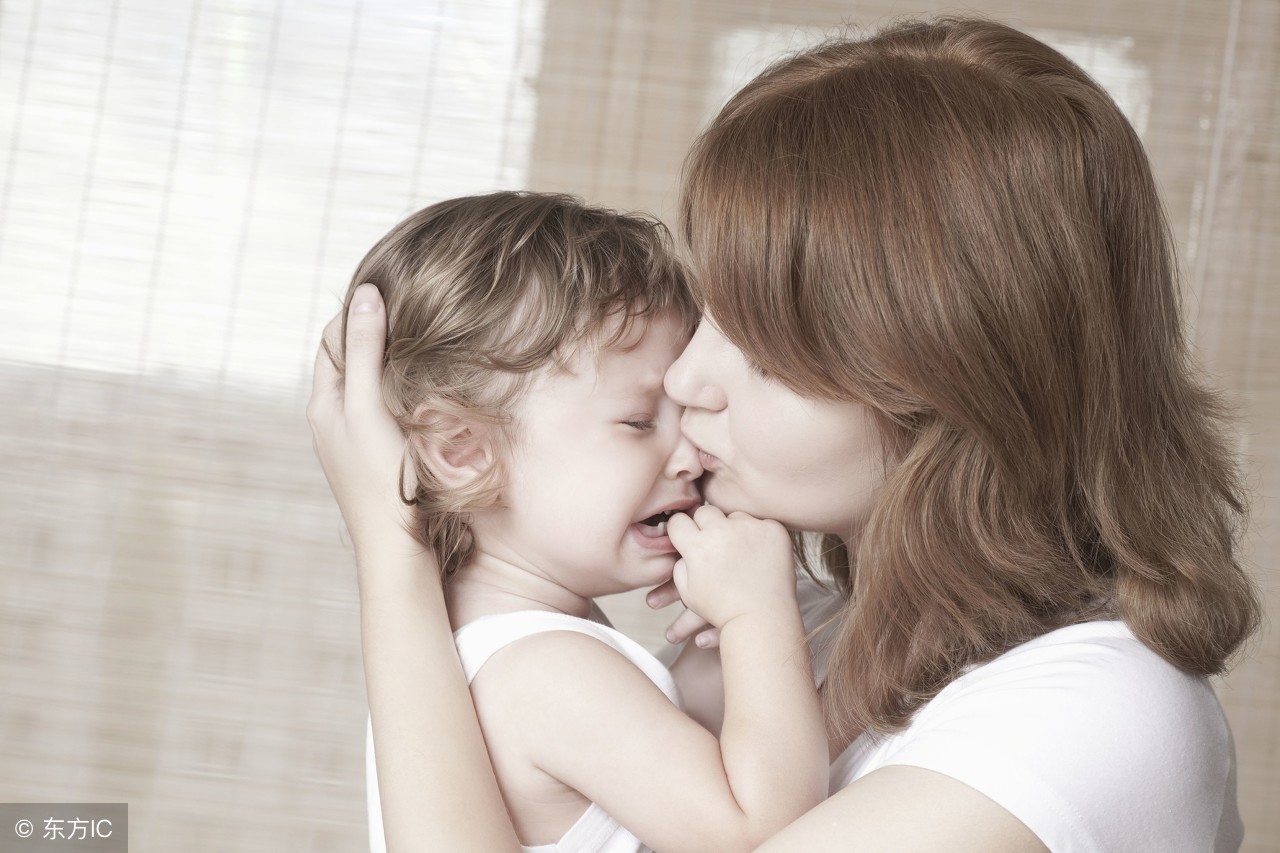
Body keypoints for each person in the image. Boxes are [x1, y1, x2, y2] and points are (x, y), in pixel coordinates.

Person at [308, 16, 1261, 852]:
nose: (687, 382)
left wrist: (396, 565)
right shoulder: (793, 626)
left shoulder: (1100, 717)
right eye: (708, 315)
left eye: (761, 347)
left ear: (945, 383)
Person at [320, 191, 828, 853]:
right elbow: (759, 830)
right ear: (464, 453)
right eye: (640, 421)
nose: (690, 452)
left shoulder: (485, 648)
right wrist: (757, 616)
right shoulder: (546, 670)